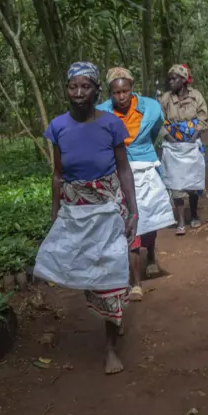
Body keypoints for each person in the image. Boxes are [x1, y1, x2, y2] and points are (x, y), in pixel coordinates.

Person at [33, 62, 138, 375]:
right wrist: (55, 215)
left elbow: (123, 169)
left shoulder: (110, 124)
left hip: (108, 209)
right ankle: (113, 318)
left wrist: (133, 209)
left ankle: (109, 348)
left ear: (96, 91)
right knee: (75, 269)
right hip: (75, 211)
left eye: (85, 87)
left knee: (109, 277)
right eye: (73, 87)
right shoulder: (58, 127)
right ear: (67, 90)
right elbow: (57, 175)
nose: (78, 93)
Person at [97, 67, 174, 301]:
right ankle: (135, 281)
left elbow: (154, 131)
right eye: (116, 92)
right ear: (110, 93)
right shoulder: (101, 112)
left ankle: (151, 253)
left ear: (132, 88)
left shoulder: (150, 107)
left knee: (149, 216)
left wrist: (140, 151)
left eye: (125, 91)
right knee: (129, 218)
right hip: (118, 170)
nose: (121, 96)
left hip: (145, 166)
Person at [159, 64, 208, 235]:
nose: (171, 82)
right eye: (170, 79)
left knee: (193, 182)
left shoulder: (196, 97)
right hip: (173, 146)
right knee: (175, 183)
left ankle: (194, 214)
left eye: (175, 79)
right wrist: (170, 138)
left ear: (183, 80)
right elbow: (160, 121)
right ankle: (180, 219)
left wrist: (193, 138)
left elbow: (203, 118)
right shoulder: (165, 98)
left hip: (192, 144)